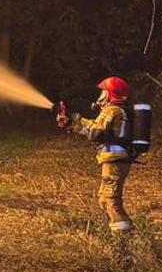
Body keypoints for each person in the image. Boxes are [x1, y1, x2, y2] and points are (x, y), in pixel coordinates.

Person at [57, 76, 137, 233]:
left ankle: (125, 237)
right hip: (116, 160)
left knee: (111, 199)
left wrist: (78, 120)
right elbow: (97, 132)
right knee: (103, 198)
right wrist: (72, 123)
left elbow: (95, 133)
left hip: (114, 161)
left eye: (104, 92)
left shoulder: (112, 110)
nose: (101, 96)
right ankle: (116, 231)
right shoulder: (118, 110)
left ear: (111, 94)